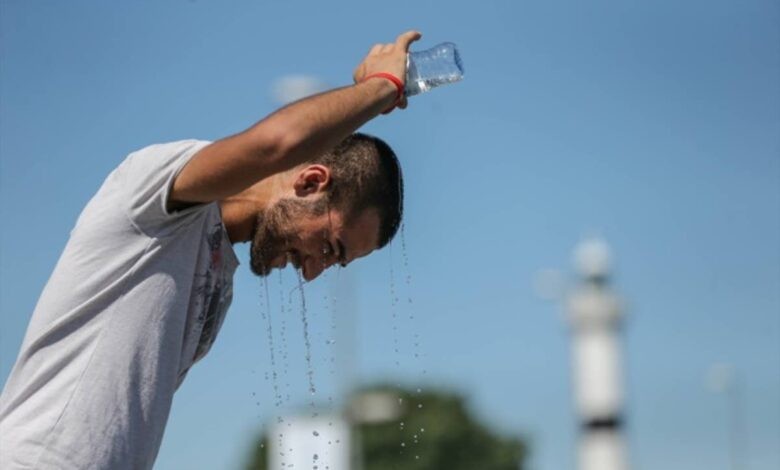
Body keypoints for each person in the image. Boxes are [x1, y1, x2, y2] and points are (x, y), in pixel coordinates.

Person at [0, 30, 422, 469]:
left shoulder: (219, 276)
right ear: (311, 182)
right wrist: (380, 89)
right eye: (330, 247)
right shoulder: (156, 195)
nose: (313, 272)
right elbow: (275, 144)